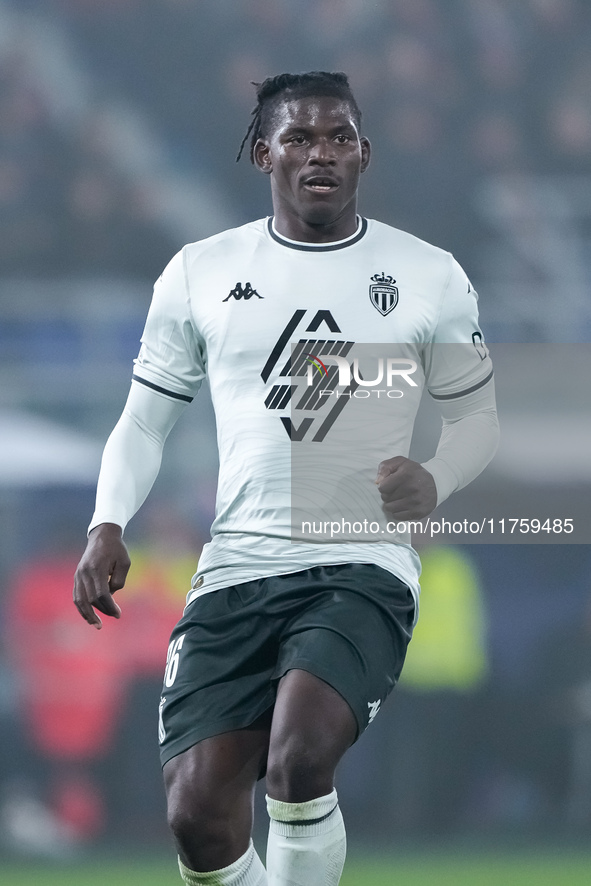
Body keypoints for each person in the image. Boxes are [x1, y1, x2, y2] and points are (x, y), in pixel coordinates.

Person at [73, 71, 499, 886]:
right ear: (263, 153)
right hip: (236, 566)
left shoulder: (427, 273)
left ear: (363, 154)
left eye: (338, 136)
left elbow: (475, 418)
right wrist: (107, 522)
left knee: (299, 762)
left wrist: (435, 477)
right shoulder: (199, 270)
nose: (320, 153)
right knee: (196, 816)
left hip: (360, 563)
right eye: (299, 137)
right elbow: (145, 419)